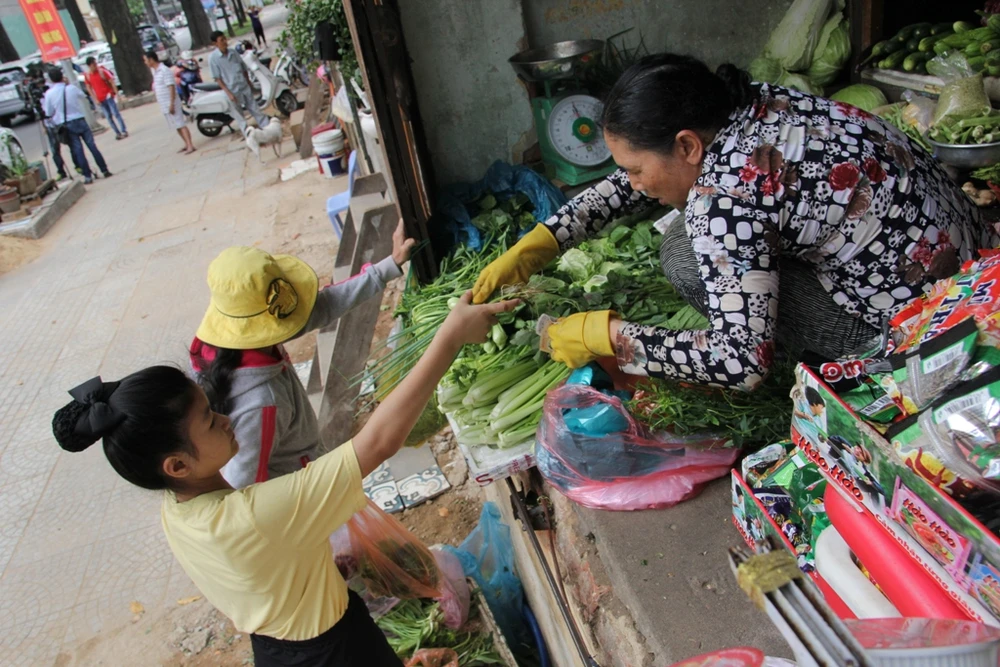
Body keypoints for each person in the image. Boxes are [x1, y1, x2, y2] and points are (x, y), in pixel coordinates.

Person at [473, 53, 997, 391]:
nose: (630, 181)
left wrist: (609, 335)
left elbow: (739, 363)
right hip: (978, 274)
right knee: (696, 237)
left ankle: (850, 373)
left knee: (682, 255)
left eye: (634, 168)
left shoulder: (725, 203)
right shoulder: (753, 103)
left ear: (687, 145)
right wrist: (547, 238)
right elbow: (642, 175)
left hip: (926, 336)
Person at [51, 293, 517, 667]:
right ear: (177, 465)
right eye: (210, 422)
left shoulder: (178, 511)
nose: (226, 419)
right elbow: (378, 442)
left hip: (281, 648)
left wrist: (309, 574)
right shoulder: (255, 516)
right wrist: (451, 335)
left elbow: (258, 579)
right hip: (332, 650)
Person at [189, 218, 416, 488]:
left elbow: (321, 306)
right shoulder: (262, 403)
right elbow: (242, 485)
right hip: (299, 495)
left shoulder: (230, 340)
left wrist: (388, 265)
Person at [41, 67, 111, 185]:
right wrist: (68, 84)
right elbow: (82, 95)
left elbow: (48, 112)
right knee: (92, 146)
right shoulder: (71, 88)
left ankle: (87, 176)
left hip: (66, 124)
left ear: (51, 80)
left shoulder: (49, 94)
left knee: (78, 150)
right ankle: (104, 169)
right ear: (62, 76)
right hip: (80, 120)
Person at [208, 30, 269, 136]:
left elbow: (243, 68)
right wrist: (228, 93)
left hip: (243, 85)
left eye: (224, 39)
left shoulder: (233, 52)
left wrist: (248, 82)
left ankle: (267, 128)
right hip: (231, 89)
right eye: (221, 40)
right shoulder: (213, 59)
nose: (225, 42)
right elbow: (218, 78)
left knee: (255, 108)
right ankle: (249, 136)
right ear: (215, 44)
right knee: (239, 116)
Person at [145, 50, 196, 154]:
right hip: (164, 102)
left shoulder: (164, 70)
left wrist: (171, 103)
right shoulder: (155, 71)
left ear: (151, 60)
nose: (145, 63)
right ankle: (186, 143)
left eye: (146, 60)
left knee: (180, 123)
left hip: (170, 101)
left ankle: (190, 145)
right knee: (175, 125)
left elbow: (171, 87)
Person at [84, 56, 128, 140]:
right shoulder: (88, 76)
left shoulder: (102, 71)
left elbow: (111, 81)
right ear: (89, 65)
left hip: (108, 96)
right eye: (94, 64)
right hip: (100, 99)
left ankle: (123, 130)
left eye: (95, 63)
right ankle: (117, 132)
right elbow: (89, 87)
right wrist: (95, 99)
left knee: (116, 113)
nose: (95, 65)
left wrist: (117, 94)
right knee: (108, 116)